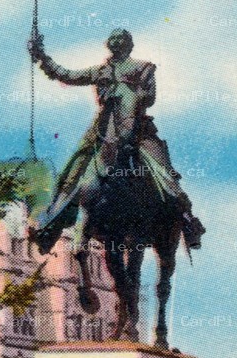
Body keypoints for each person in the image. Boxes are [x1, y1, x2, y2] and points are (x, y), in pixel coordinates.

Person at [27, 27, 205, 252]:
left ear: (129, 44)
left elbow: (149, 97)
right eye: (113, 37)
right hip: (103, 132)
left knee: (164, 173)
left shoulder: (143, 68)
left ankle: (188, 222)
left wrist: (125, 93)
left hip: (139, 131)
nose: (116, 41)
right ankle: (49, 226)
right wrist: (42, 56)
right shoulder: (100, 71)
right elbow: (67, 75)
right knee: (72, 173)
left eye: (121, 38)